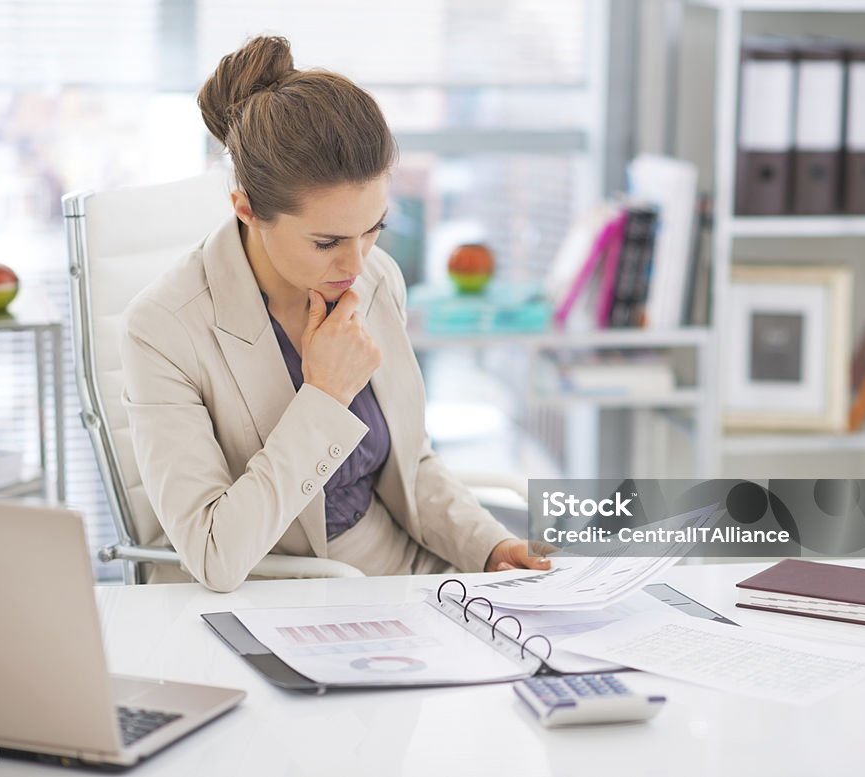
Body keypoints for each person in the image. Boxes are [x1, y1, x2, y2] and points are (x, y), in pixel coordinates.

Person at [120, 35, 551, 592]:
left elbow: (411, 465)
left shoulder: (377, 279)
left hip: (407, 571)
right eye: (327, 242)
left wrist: (489, 547)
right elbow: (214, 554)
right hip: (276, 591)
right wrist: (323, 397)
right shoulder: (162, 328)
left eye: (374, 229)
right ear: (246, 208)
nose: (357, 262)